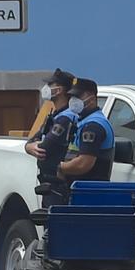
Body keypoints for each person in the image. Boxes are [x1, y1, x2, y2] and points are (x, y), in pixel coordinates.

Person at [26, 69, 80, 207]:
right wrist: (29, 147)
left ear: (59, 90)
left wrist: (34, 146)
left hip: (60, 185)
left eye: (50, 84)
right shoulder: (54, 115)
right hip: (49, 183)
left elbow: (45, 147)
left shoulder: (66, 118)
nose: (47, 88)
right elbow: (32, 140)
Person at [58, 77, 115, 186]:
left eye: (78, 96)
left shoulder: (93, 126)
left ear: (92, 99)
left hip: (89, 191)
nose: (73, 100)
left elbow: (82, 164)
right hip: (76, 187)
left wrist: (58, 167)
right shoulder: (82, 120)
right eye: (72, 97)